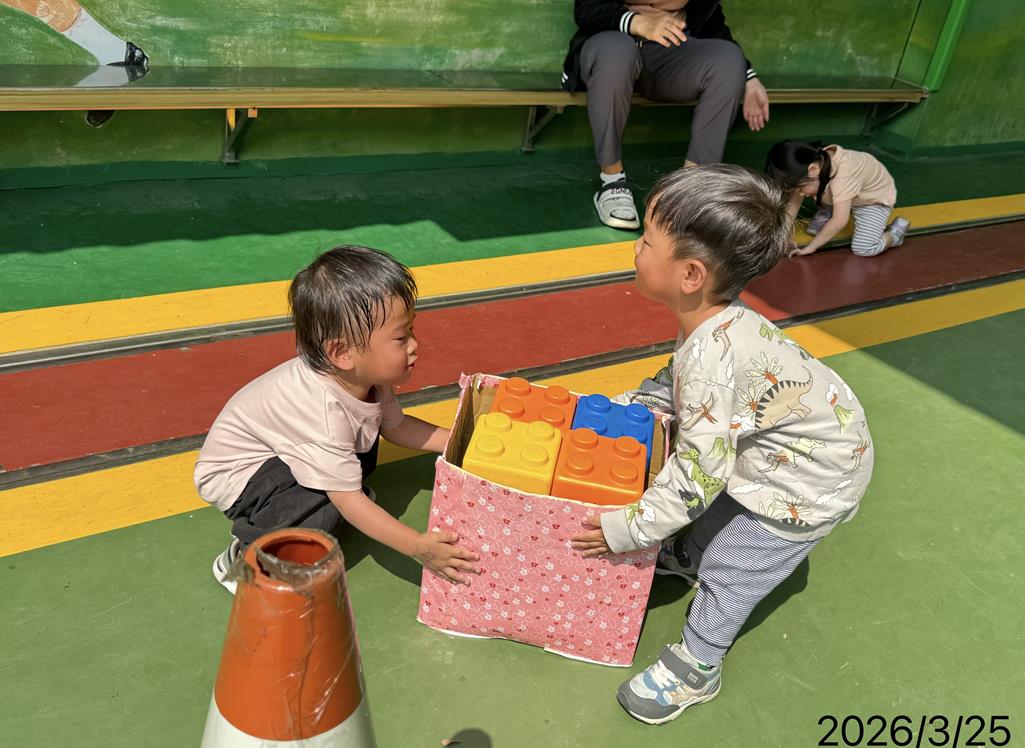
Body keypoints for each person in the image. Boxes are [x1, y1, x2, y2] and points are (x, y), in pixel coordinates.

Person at [572, 165, 874, 725]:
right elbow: (683, 380)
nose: (635, 248)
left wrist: (629, 529)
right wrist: (640, 401)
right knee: (719, 517)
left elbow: (696, 476)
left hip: (807, 487)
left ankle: (698, 665)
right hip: (801, 454)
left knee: (732, 569)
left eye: (647, 241)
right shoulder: (715, 320)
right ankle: (688, 553)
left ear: (690, 274)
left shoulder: (716, 360)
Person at [194, 246, 480, 594]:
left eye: (411, 330)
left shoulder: (366, 379)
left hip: (288, 450)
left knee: (357, 454)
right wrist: (421, 548)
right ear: (342, 353)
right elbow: (350, 502)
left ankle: (330, 490)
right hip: (241, 475)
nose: (414, 345)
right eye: (401, 337)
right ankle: (248, 557)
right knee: (321, 510)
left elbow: (398, 428)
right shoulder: (323, 413)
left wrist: (465, 444)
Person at [562, 0, 770, 230]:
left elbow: (714, 24)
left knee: (729, 58)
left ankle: (690, 189)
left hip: (665, 55)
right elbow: (587, 8)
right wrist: (637, 22)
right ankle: (612, 181)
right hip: (610, 44)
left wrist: (750, 78)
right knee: (617, 52)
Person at [766, 140, 911, 257]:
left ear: (813, 170)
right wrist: (783, 238)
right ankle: (831, 208)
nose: (800, 194)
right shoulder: (813, 164)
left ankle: (895, 235)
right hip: (846, 191)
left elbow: (840, 221)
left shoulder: (844, 175)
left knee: (864, 248)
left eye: (800, 188)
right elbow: (793, 204)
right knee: (818, 189)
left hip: (872, 200)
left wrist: (810, 247)